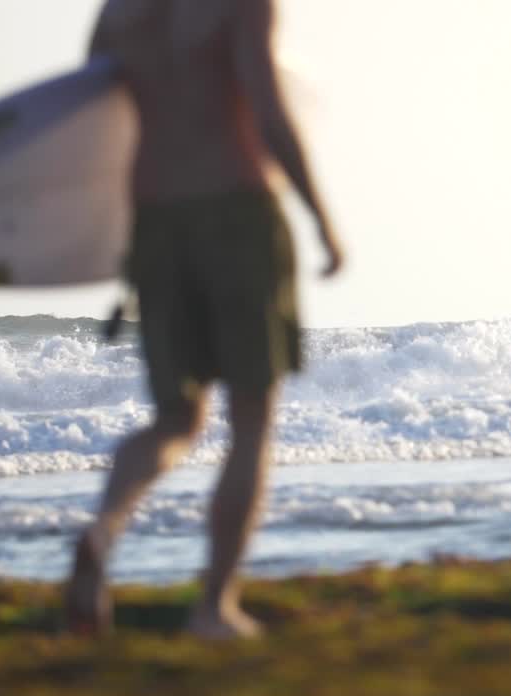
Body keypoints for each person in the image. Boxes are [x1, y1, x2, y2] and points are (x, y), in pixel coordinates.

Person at [65, 0, 344, 640]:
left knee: (175, 418)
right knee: (250, 418)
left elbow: (91, 124)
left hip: (157, 222)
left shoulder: (121, 13)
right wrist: (322, 218)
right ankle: (213, 607)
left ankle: (101, 531)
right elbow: (269, 112)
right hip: (236, 211)